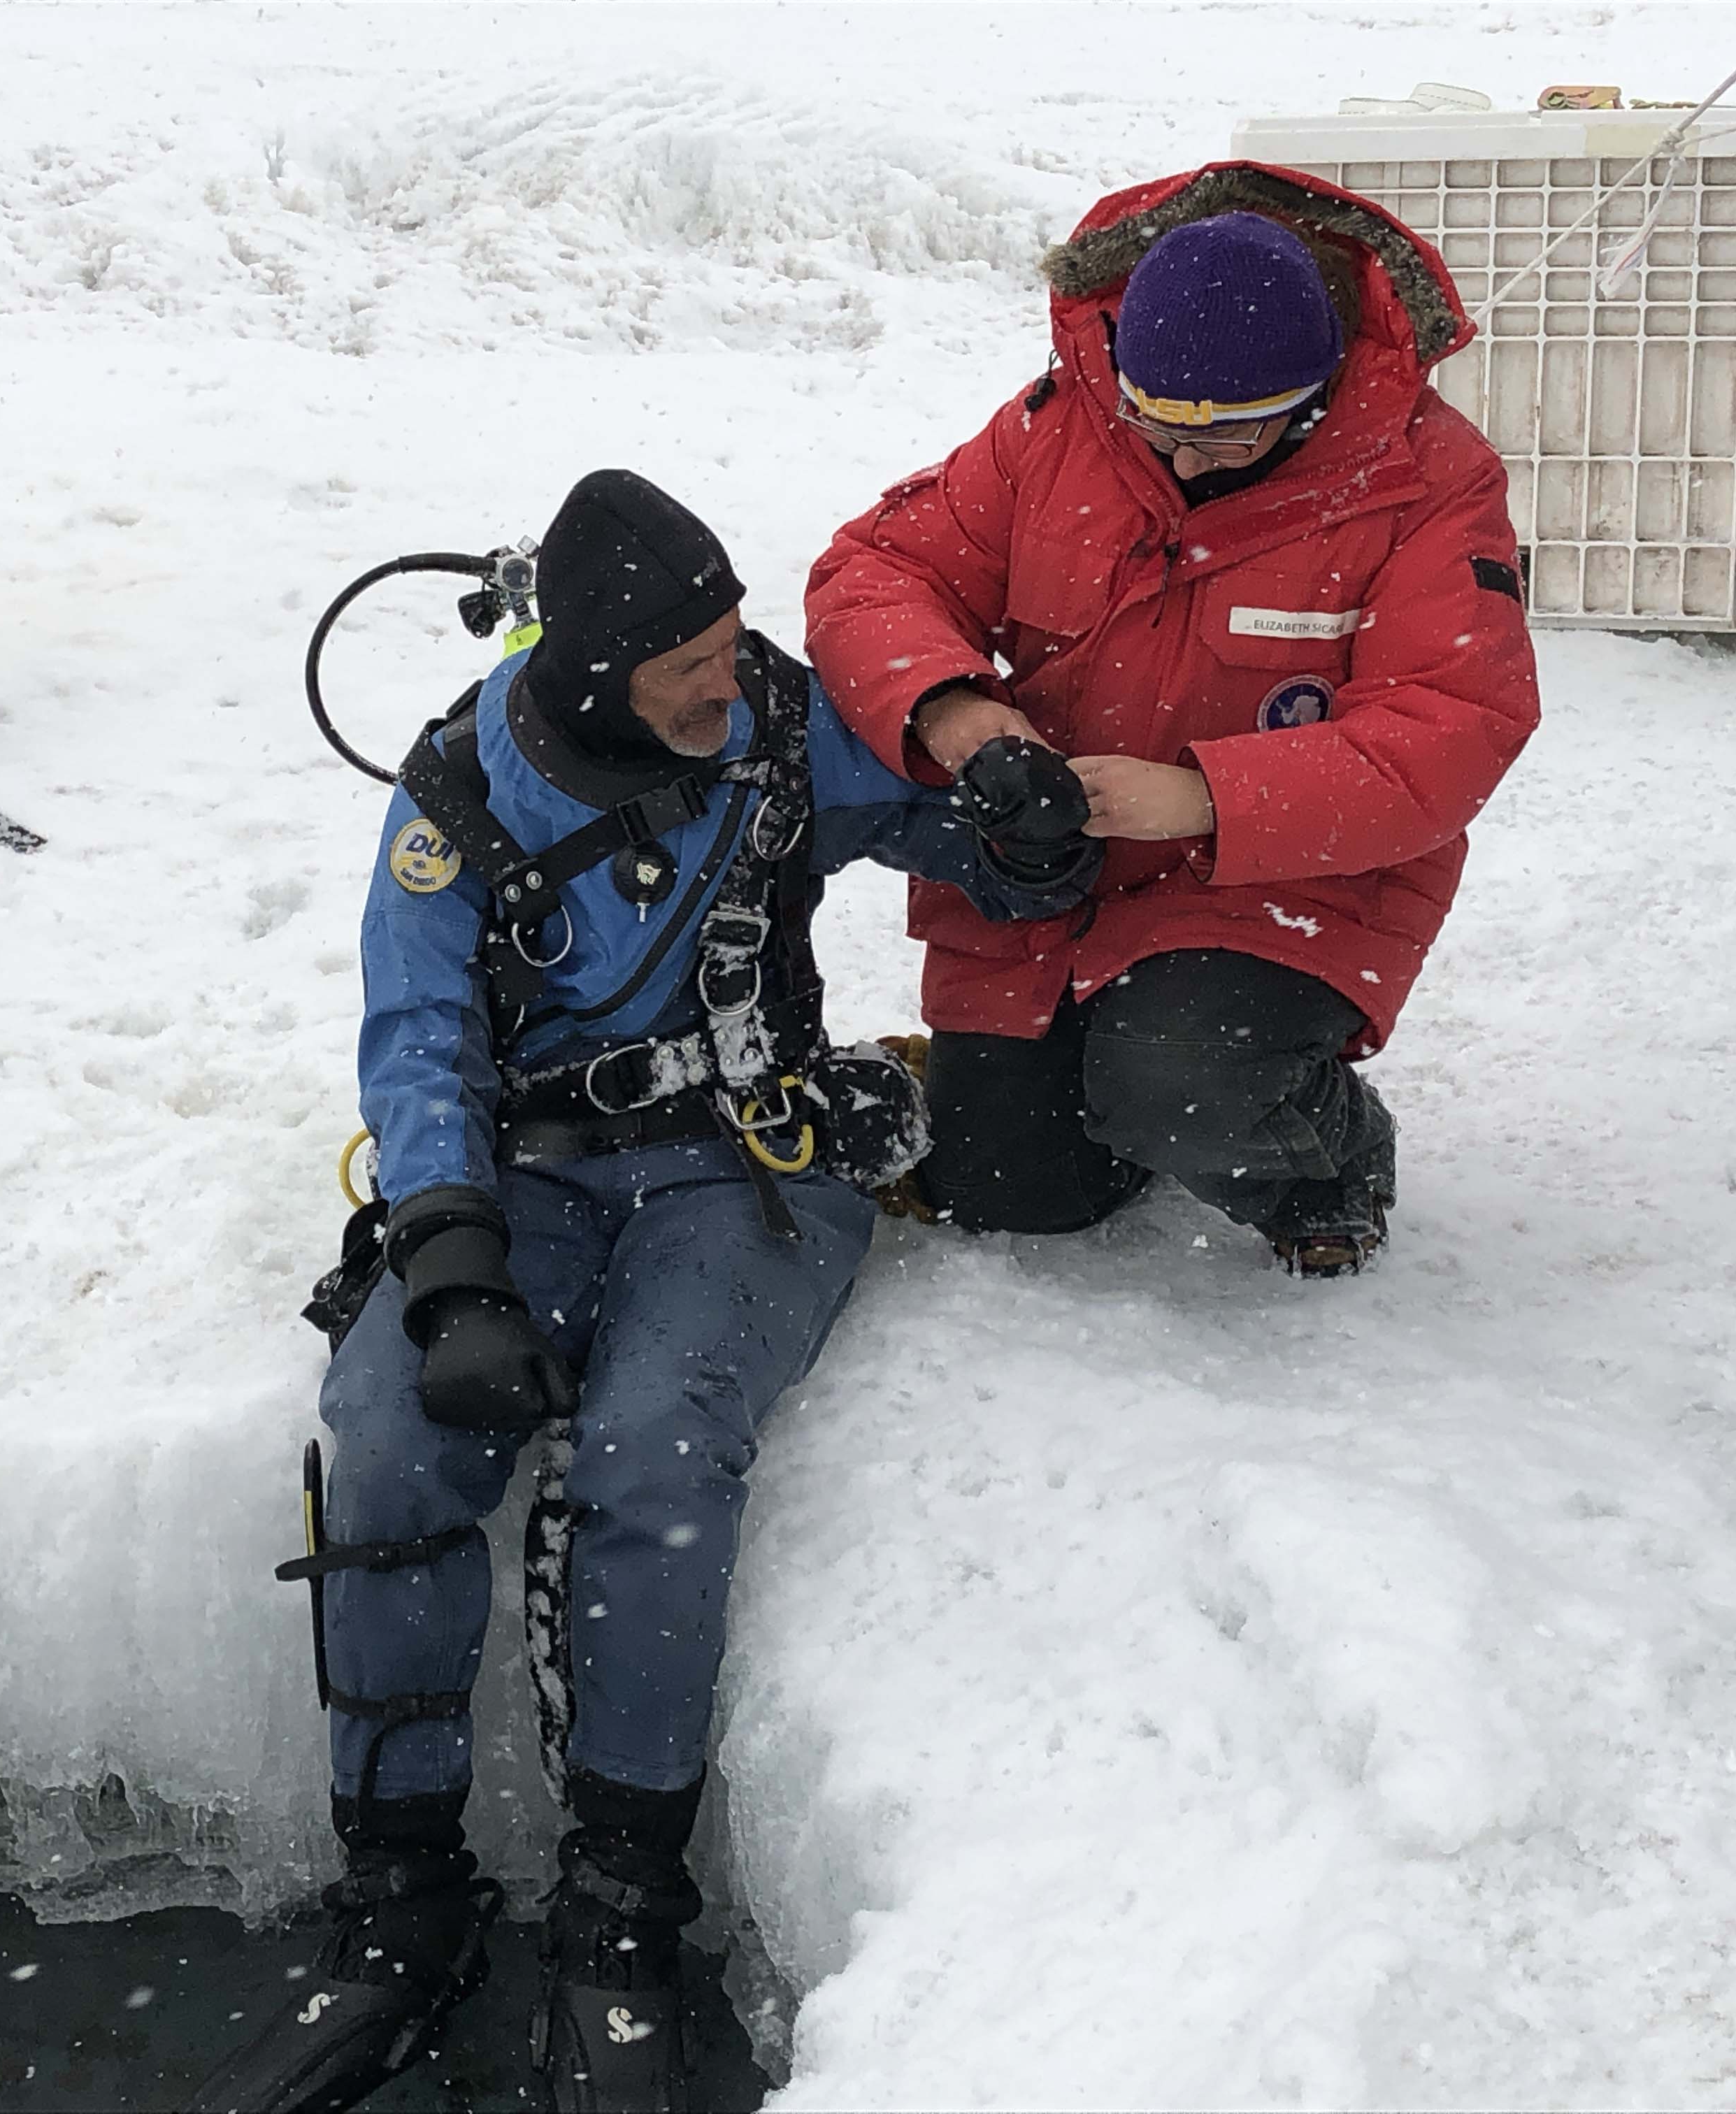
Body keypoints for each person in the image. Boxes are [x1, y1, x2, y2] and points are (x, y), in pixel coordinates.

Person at [197, 469, 1093, 2114]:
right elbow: (418, 1044)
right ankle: (404, 1893)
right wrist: (455, 1268)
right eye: (691, 656)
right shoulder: (460, 795)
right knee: (391, 1442)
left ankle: (622, 1908)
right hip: (524, 1178)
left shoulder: (775, 728)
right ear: (599, 672)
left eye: (734, 634)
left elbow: (963, 850)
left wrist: (1029, 842)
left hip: (743, 1164)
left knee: (653, 1461)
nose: (729, 672)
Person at [805, 168, 1542, 1274]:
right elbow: (876, 574)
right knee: (1012, 1193)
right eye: (1157, 426)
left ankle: (1326, 1154)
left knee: (1182, 1086)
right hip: (1052, 871)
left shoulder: (1430, 483)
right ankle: (1090, 1096)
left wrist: (1205, 797)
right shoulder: (1062, 426)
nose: (1182, 459)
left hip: (1279, 882)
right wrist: (963, 718)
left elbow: (1455, 724)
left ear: (1313, 392)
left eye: (1231, 437)